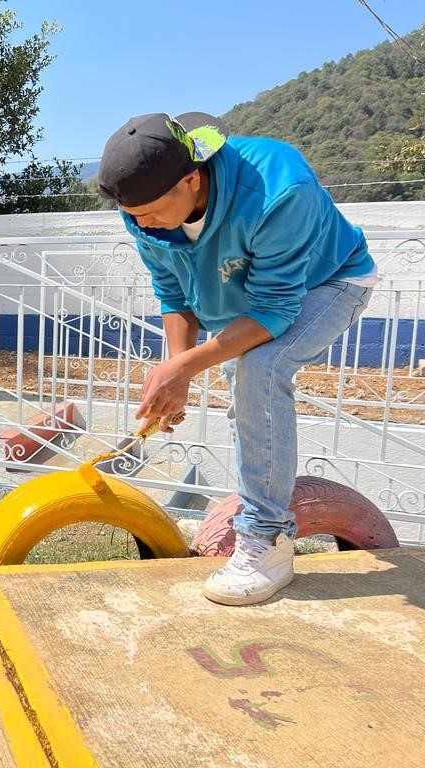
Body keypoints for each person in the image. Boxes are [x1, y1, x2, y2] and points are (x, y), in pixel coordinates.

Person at [97, 112, 377, 606]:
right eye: (132, 214)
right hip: (257, 295)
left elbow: (275, 309)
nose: (140, 224)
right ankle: (261, 520)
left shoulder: (279, 189)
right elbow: (172, 292)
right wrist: (178, 368)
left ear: (191, 177)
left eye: (150, 211)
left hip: (331, 280)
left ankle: (267, 542)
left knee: (260, 369)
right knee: (242, 366)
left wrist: (183, 367)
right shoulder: (140, 205)